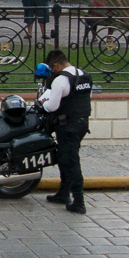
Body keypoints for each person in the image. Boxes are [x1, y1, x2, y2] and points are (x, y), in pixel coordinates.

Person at [38, 48, 92, 214]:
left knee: (71, 161)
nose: (52, 71)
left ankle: (79, 201)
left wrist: (42, 104)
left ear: (56, 65)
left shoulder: (60, 80)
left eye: (52, 68)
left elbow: (52, 106)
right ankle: (63, 193)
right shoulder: (84, 75)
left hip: (67, 126)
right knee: (64, 157)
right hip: (82, 124)